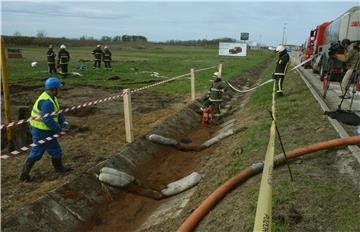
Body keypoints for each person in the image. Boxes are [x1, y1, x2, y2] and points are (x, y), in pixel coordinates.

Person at [19, 77, 71, 181]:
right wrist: (59, 130)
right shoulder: (47, 102)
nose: (59, 91)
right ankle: (59, 169)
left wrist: (63, 122)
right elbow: (48, 120)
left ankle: (24, 175)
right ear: (53, 89)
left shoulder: (51, 98)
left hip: (42, 130)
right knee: (54, 150)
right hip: (42, 131)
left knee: (37, 151)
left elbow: (57, 113)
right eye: (58, 89)